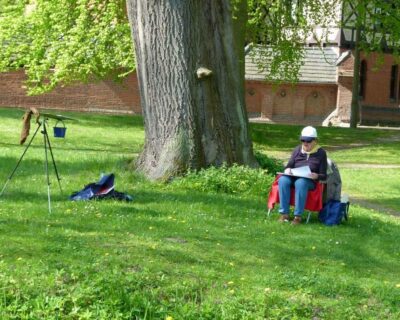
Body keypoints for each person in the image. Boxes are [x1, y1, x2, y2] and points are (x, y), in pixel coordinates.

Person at [278, 126, 327, 225]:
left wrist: (316, 176)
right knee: (283, 180)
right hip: (293, 176)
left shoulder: (321, 153)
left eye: (308, 141)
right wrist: (287, 169)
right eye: (303, 140)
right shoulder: (297, 150)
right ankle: (284, 214)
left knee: (301, 182)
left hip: (309, 181)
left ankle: (297, 216)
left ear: (315, 141)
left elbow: (324, 175)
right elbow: (289, 166)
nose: (305, 143)